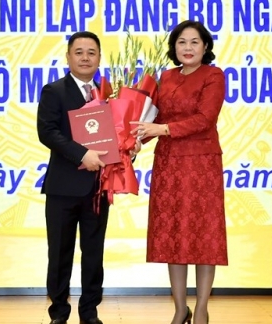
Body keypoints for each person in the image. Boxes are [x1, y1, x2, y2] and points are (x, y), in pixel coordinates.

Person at [131, 20, 227, 324]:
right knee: (174, 236)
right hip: (169, 164)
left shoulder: (213, 76)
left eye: (194, 42)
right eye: (182, 42)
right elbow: (155, 118)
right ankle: (180, 308)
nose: (188, 47)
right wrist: (133, 141)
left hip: (201, 165)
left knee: (204, 237)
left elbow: (205, 119)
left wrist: (161, 129)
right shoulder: (166, 77)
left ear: (205, 46)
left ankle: (201, 308)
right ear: (174, 47)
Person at [37, 31, 111, 324]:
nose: (85, 57)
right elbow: (47, 132)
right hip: (62, 188)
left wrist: (129, 148)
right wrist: (82, 155)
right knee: (59, 254)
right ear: (68, 57)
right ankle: (58, 312)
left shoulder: (108, 94)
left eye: (91, 52)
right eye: (78, 52)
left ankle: (89, 312)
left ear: (99, 58)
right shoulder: (54, 91)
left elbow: (116, 134)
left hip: (98, 188)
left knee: (93, 254)